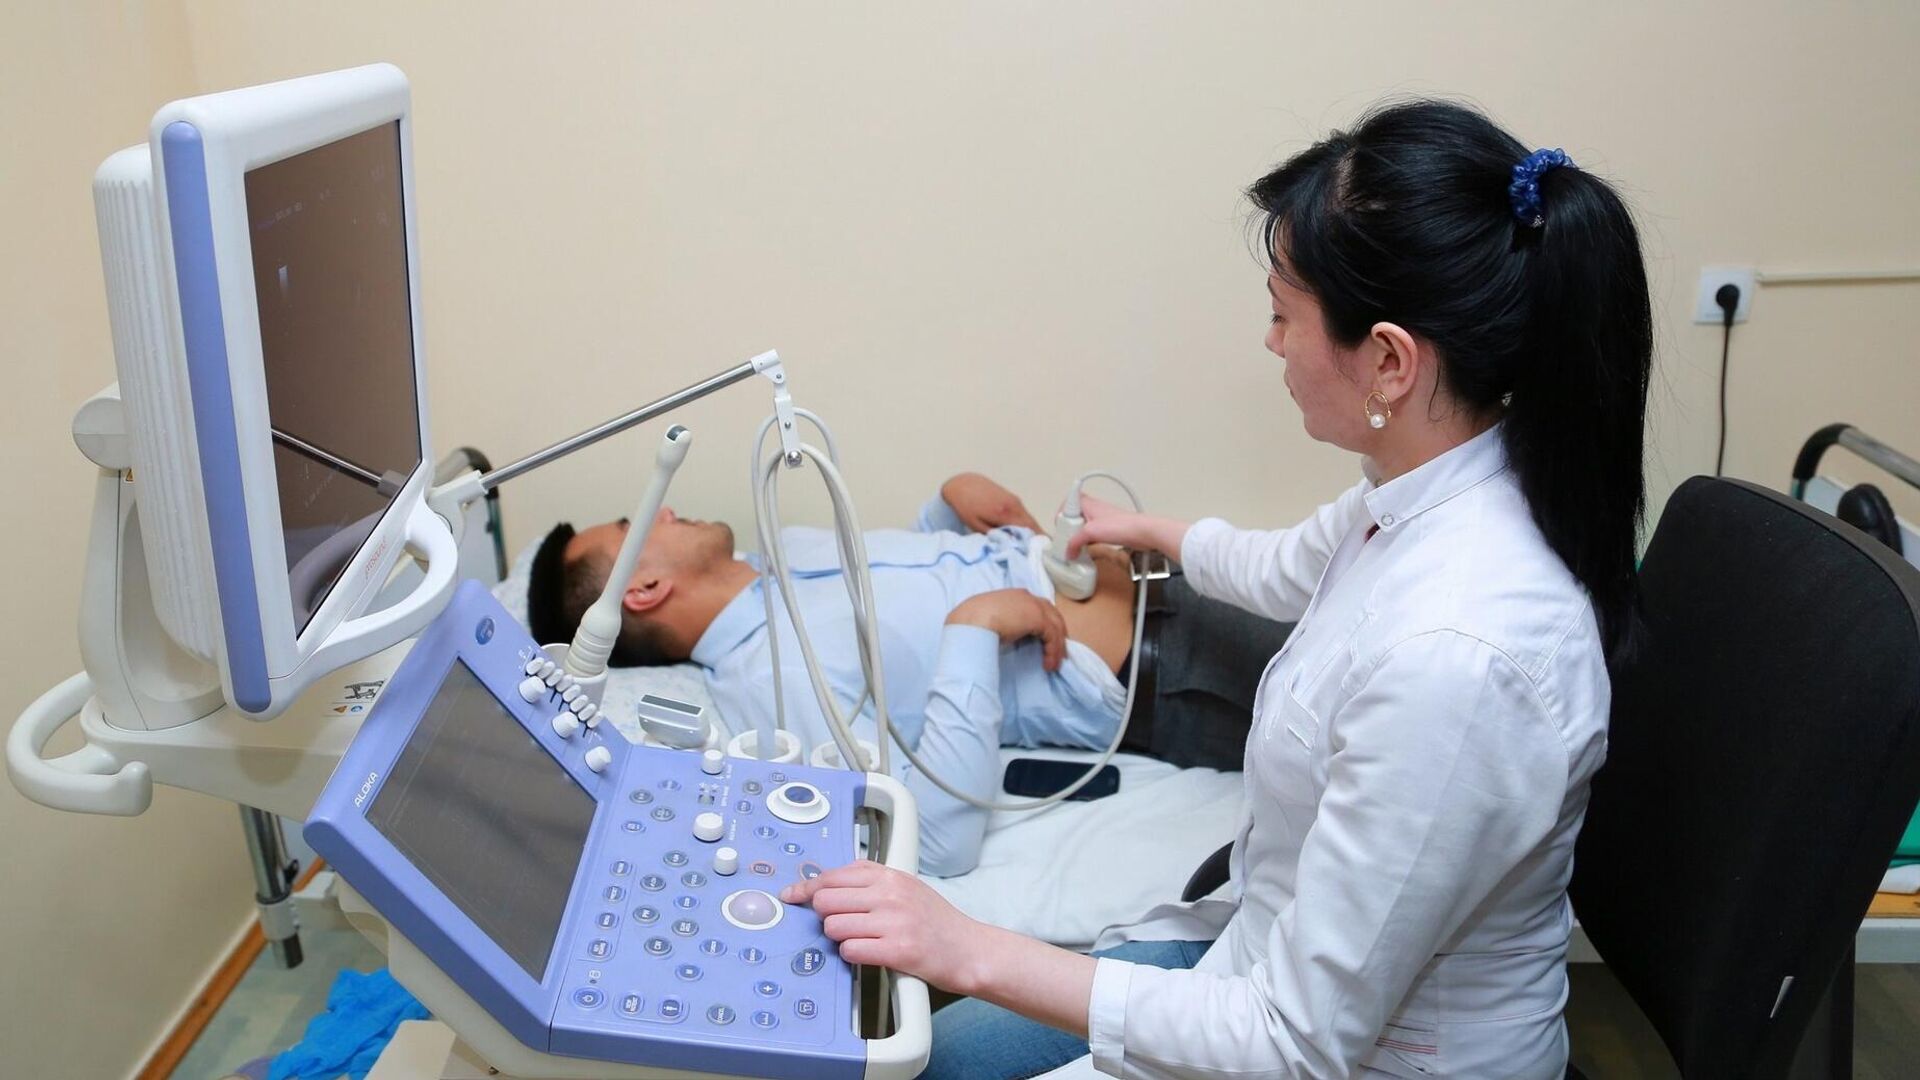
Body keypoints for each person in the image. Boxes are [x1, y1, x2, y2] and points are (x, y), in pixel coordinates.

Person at [780, 99, 1652, 1078]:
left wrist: (964, 947)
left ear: (1389, 362)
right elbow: (1283, 565)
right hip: (1257, 962)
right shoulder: (1428, 490)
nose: (1271, 342)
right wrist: (1149, 533)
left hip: (1336, 1054)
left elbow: (1292, 1043)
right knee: (934, 1060)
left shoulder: (1458, 658)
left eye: (1283, 313)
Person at [526, 473, 1293, 876]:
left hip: (1174, 575)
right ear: (643, 590)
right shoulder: (774, 685)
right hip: (1180, 667)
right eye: (637, 526)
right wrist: (975, 631)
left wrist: (945, 506)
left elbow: (899, 607)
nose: (664, 511)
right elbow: (937, 844)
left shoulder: (778, 556)